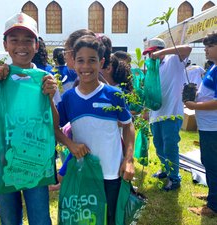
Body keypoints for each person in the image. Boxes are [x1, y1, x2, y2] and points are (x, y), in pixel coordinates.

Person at [0, 12, 58, 225]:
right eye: (14, 40)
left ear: (37, 45)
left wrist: (49, 98)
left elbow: (55, 126)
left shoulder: (45, 80)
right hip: (4, 164)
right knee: (10, 219)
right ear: (5, 44)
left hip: (36, 163)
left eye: (28, 40)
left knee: (40, 218)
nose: (22, 45)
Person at [55, 35, 135, 225]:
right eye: (80, 60)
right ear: (73, 62)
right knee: (85, 219)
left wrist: (129, 159)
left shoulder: (114, 95)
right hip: (84, 173)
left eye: (92, 60)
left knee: (111, 219)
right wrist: (70, 144)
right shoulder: (68, 98)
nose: (86, 67)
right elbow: (53, 127)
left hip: (111, 173)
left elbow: (128, 126)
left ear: (102, 62)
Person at [142, 37, 192, 191]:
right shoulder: (153, 69)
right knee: (158, 145)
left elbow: (187, 49)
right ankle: (165, 169)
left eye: (152, 53)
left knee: (170, 145)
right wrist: (146, 110)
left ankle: (174, 178)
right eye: (149, 54)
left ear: (159, 50)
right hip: (156, 114)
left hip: (171, 113)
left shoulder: (173, 61)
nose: (150, 57)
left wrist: (161, 53)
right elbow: (149, 91)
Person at [185, 33, 217, 217]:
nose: (205, 49)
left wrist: (196, 105)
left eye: (210, 46)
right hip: (207, 126)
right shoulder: (213, 68)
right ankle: (213, 195)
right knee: (209, 162)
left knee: (212, 164)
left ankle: (213, 207)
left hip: (214, 127)